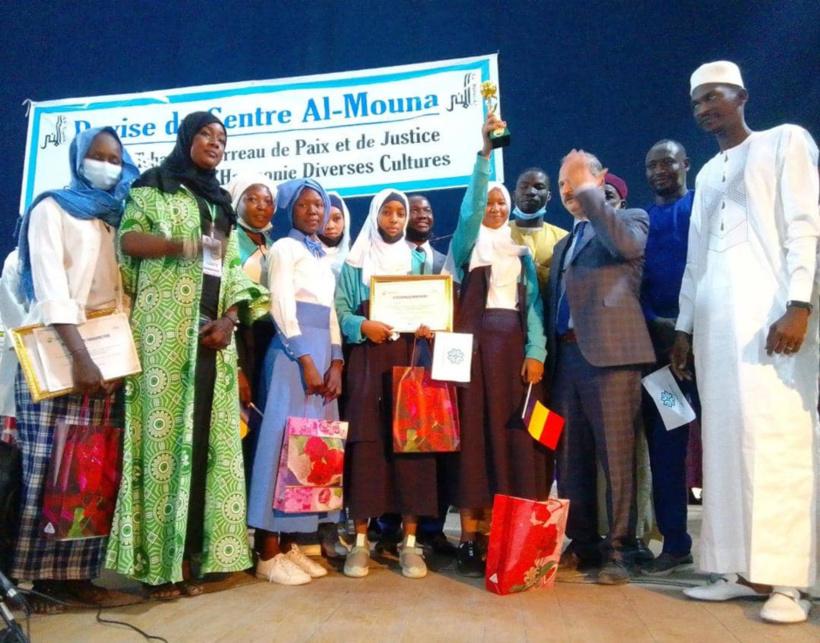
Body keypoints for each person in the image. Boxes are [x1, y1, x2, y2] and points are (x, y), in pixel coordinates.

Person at [671, 61, 819, 624]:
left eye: (714, 96)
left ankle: (788, 581)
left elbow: (807, 223)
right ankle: (733, 569)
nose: (705, 107)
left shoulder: (785, 143)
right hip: (716, 330)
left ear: (741, 96)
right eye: (696, 101)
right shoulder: (708, 173)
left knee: (777, 441)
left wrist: (800, 304)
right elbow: (696, 259)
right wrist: (685, 326)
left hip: (774, 322)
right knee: (726, 445)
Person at [106, 112, 269, 599]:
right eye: (206, 134)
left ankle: (195, 558)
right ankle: (158, 568)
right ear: (186, 138)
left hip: (212, 340)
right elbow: (129, 240)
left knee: (204, 450)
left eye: (222, 138)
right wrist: (183, 245)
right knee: (161, 451)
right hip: (163, 336)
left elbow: (232, 270)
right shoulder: (153, 186)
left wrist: (230, 321)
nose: (215, 143)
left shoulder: (220, 204)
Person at [11, 127, 140, 612]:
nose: (106, 164)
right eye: (97, 155)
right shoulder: (51, 208)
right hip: (58, 351)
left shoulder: (113, 218)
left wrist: (113, 359)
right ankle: (33, 578)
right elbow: (50, 289)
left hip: (104, 357)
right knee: (46, 468)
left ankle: (79, 576)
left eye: (114, 157)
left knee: (90, 468)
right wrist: (82, 357)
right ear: (77, 159)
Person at [446, 114, 550, 577]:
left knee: (511, 442)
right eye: (489, 202)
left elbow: (533, 312)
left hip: (512, 358)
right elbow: (468, 212)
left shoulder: (518, 251)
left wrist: (536, 353)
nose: (493, 208)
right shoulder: (470, 247)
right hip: (473, 356)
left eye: (499, 203)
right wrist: (485, 156)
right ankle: (471, 535)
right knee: (475, 442)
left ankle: (510, 534)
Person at [547, 149, 655, 585]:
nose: (569, 190)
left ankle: (620, 547)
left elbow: (623, 246)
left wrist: (591, 191)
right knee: (570, 459)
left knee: (617, 458)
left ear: (599, 181)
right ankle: (584, 541)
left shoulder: (630, 221)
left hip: (612, 358)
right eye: (564, 185)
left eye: (576, 181)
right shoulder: (562, 244)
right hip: (568, 359)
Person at [335, 188, 439, 580]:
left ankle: (410, 545)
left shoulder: (418, 261)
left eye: (401, 213)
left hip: (408, 364)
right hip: (366, 362)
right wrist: (362, 325)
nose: (395, 219)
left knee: (412, 449)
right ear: (376, 215)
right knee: (366, 450)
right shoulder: (354, 262)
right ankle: (360, 543)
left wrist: (428, 326)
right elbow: (341, 310)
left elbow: (432, 309)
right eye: (388, 212)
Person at [247, 178, 343, 585]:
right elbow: (282, 305)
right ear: (291, 209)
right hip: (293, 356)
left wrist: (336, 361)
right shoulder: (285, 249)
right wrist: (305, 358)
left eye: (319, 206)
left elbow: (332, 312)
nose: (314, 212)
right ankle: (267, 552)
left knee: (310, 450)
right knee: (281, 446)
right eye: (305, 206)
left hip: (323, 354)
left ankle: (288, 543)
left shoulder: (320, 255)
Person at [639, 140, 698, 575]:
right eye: (652, 164)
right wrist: (661, 327)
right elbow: (631, 282)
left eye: (668, 162)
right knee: (667, 450)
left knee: (728, 446)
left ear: (685, 165)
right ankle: (675, 542)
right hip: (663, 360)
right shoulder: (640, 219)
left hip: (710, 344)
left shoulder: (702, 207)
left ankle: (741, 551)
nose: (660, 169)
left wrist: (690, 328)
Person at [509, 167, 568, 287]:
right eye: (524, 186)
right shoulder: (497, 234)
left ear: (548, 196)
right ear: (514, 195)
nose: (531, 192)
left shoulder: (564, 239)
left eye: (539, 187)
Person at [406, 194, 446, 274]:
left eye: (427, 210)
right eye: (414, 210)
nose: (423, 215)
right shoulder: (388, 258)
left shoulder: (446, 263)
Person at [319, 191, 351, 280]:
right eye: (324, 219)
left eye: (336, 218)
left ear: (345, 222)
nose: (330, 226)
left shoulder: (354, 260)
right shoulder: (306, 256)